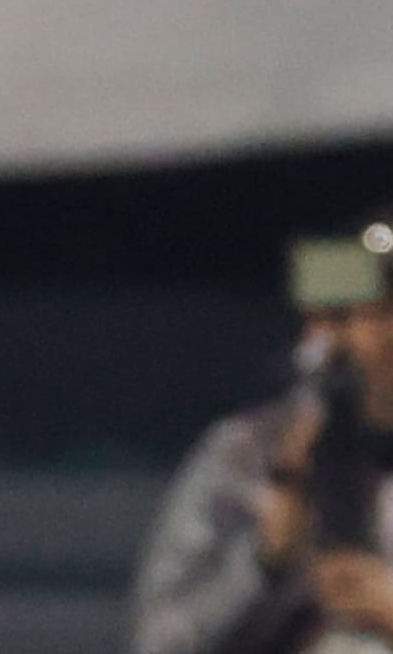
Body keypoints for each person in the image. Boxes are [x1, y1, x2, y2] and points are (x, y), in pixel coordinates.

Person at [131, 216, 393, 654]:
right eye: (321, 319)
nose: (328, 343)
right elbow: (159, 641)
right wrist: (264, 564)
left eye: (351, 316)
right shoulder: (249, 455)